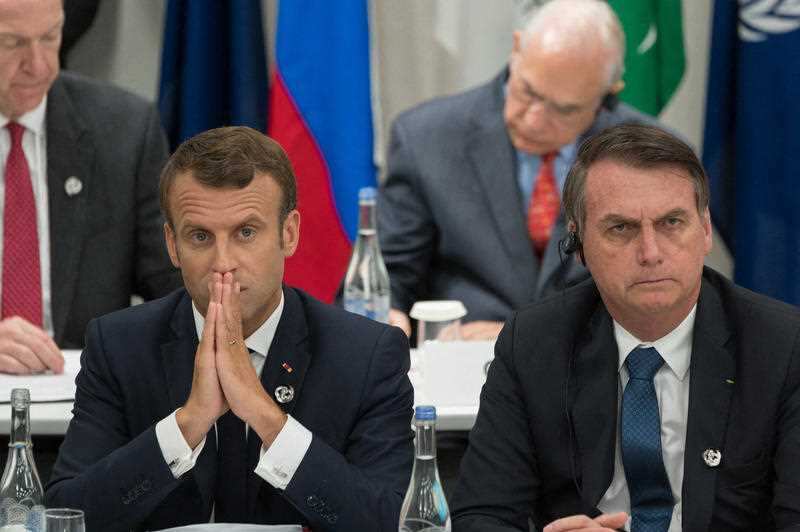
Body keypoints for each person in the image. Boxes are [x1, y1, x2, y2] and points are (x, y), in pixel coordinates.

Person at [45, 126, 414, 531]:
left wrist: (264, 415)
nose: (223, 263)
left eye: (246, 233)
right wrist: (188, 424)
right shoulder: (118, 346)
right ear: (172, 245)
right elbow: (66, 517)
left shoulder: (366, 354)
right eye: (200, 236)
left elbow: (388, 522)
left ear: (289, 234)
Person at [450, 123, 800, 531]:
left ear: (705, 230)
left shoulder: (782, 346)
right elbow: (481, 513)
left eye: (671, 223)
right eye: (621, 228)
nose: (650, 253)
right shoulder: (533, 342)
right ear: (578, 245)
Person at [378, 0, 662, 340]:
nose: (534, 120)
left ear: (607, 95)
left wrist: (522, 338)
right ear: (516, 49)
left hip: (596, 362)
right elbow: (388, 279)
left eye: (564, 110)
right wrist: (386, 317)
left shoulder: (654, 160)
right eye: (528, 91)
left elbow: (664, 296)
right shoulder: (426, 138)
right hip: (461, 359)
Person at [0, 0, 178, 374]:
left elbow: (176, 289)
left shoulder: (124, 131)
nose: (39, 66)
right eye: (12, 43)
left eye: (50, 37)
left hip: (86, 398)